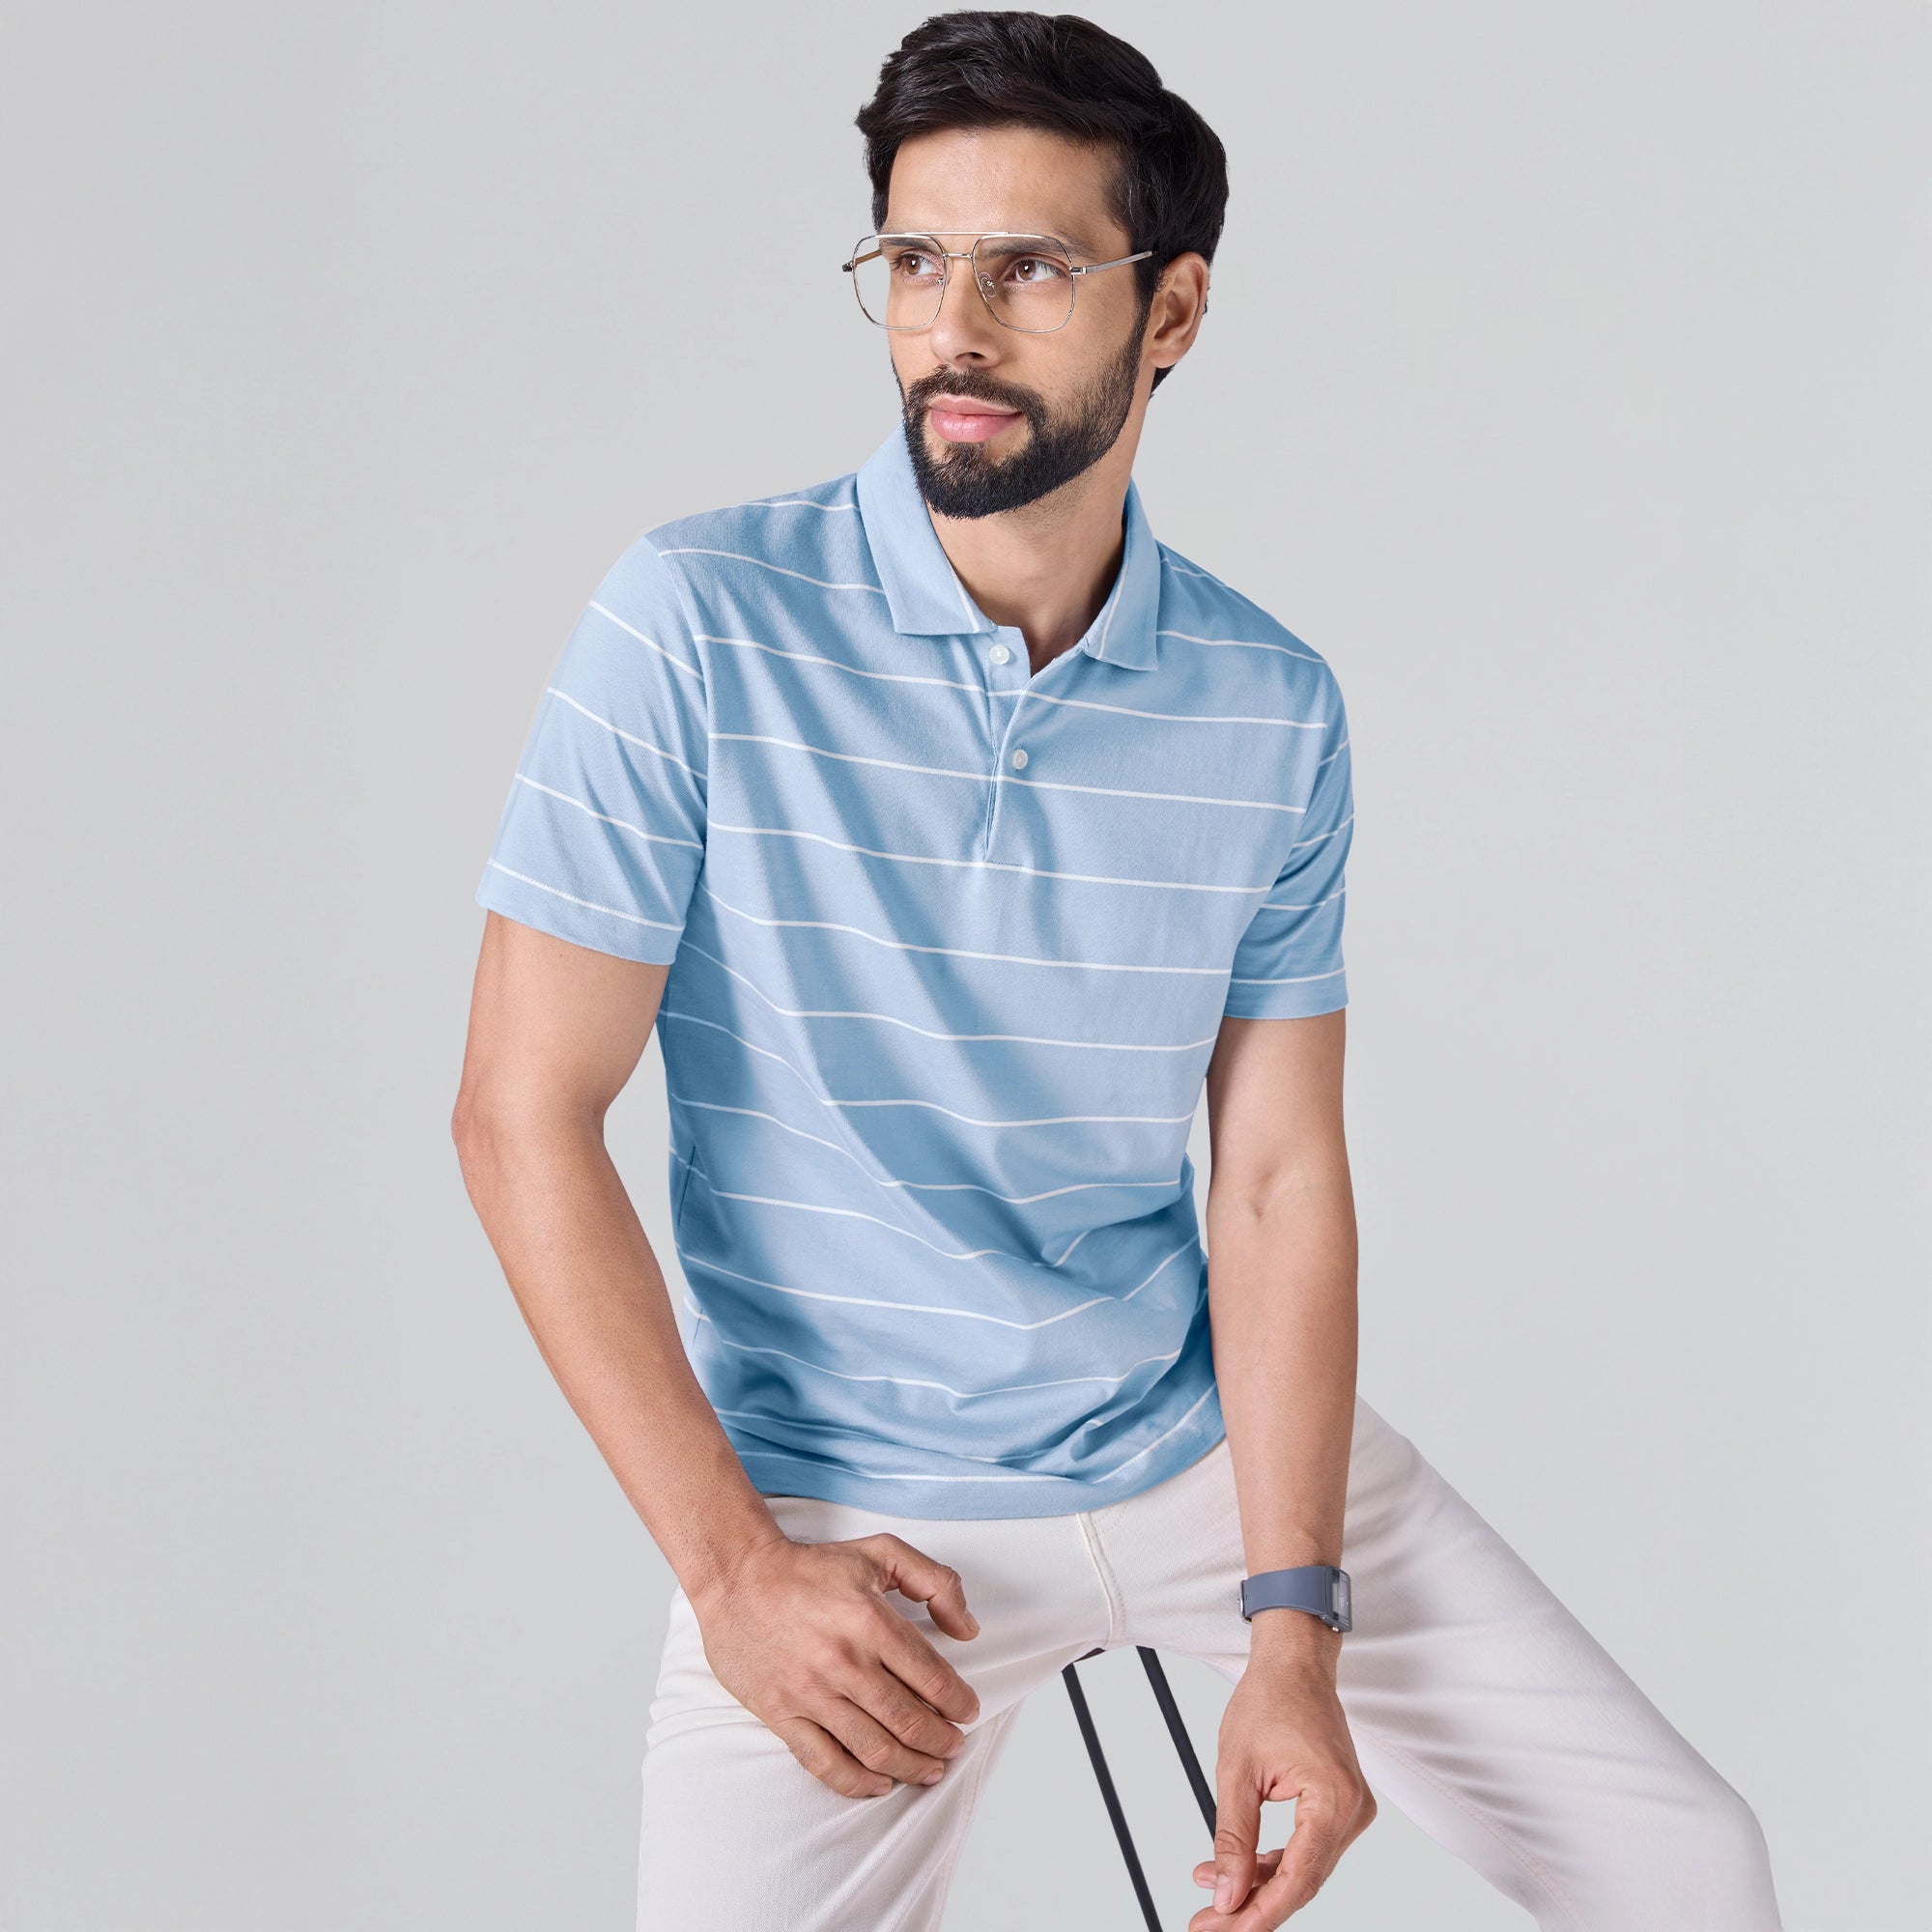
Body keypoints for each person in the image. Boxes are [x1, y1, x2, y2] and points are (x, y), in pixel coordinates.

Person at [451, 13, 1785, 1929]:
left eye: (1029, 267)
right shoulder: (695, 624)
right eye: (914, 260)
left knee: (1685, 1868)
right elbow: (521, 1114)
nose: (952, 326)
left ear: (1172, 311)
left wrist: (1293, 1622)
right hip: (852, 1520)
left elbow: (1274, 1178)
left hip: (1194, 1455)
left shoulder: (1268, 703)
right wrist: (735, 1572)